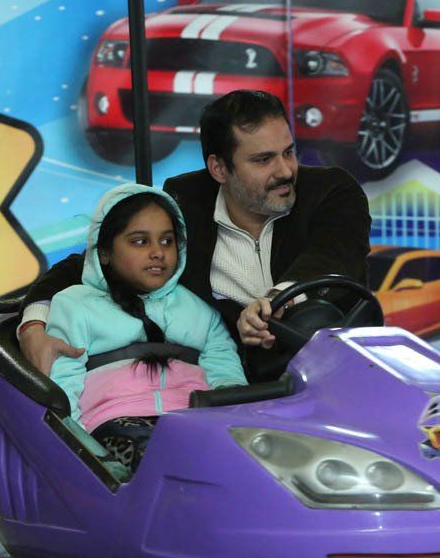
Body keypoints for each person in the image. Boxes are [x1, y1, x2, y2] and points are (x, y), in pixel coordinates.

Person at [21, 89, 372, 382]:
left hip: (339, 377)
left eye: (288, 152)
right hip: (238, 389)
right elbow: (94, 263)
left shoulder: (330, 191)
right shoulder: (185, 205)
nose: (285, 171)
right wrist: (33, 326)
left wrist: (275, 301)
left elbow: (332, 255)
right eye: (263, 160)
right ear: (219, 168)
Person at [47, 183, 246, 476]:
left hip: (194, 419)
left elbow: (226, 373)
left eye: (167, 241)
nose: (157, 252)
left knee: (247, 464)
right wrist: (80, 448)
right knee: (159, 462)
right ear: (104, 252)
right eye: (140, 242)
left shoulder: (199, 306)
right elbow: (64, 382)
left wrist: (234, 423)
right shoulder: (74, 305)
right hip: (115, 422)